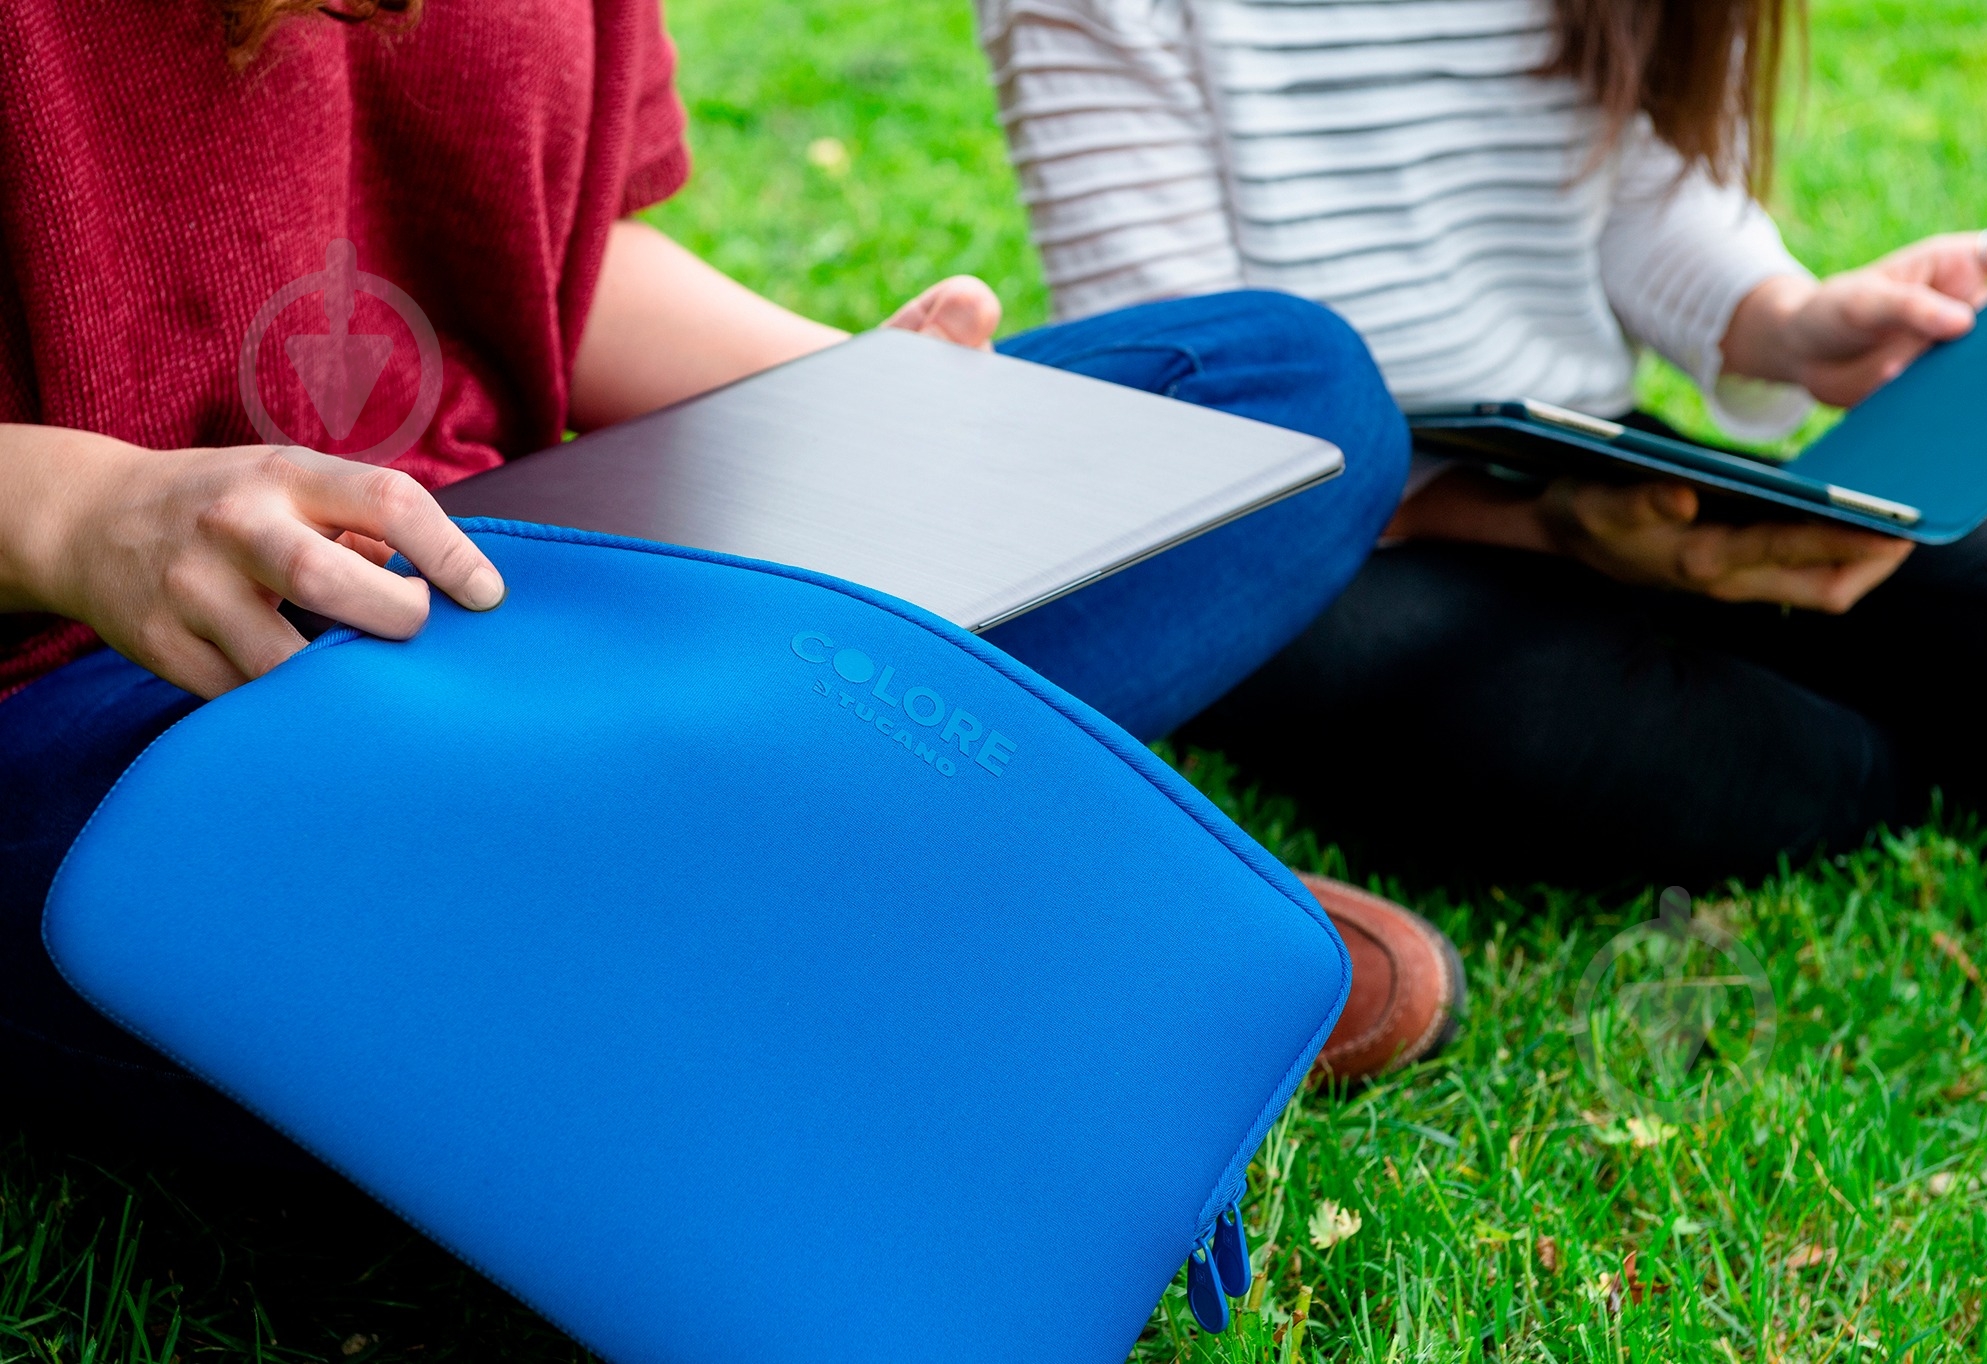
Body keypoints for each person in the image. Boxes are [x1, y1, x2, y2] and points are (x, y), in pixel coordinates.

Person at [0, 0, 1451, 1155]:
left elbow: (562, 259)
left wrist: (852, 400)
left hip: (523, 586)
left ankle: (766, 919)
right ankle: (991, 914)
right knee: (234, 867)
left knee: (1279, 389)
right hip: (121, 694)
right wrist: (85, 514)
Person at [979, 0, 1987, 885]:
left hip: (1590, 457)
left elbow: (1636, 197)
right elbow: (1202, 421)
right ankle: (1914, 761)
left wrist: (1793, 326)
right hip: (1296, 533)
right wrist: (1546, 531)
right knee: (1622, 747)